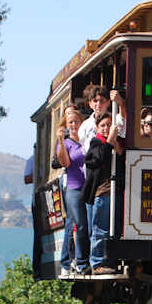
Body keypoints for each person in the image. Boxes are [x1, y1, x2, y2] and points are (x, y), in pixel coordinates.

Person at [82, 112, 123, 275]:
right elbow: (99, 160)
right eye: (103, 126)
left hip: (116, 191)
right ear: (97, 128)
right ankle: (97, 262)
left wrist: (115, 142)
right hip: (103, 192)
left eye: (108, 125)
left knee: (115, 228)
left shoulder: (117, 143)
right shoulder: (95, 143)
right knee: (100, 229)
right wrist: (109, 142)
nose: (106, 129)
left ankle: (111, 260)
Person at [56, 109, 90, 275]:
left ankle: (72, 262)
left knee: (77, 225)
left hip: (89, 187)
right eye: (71, 122)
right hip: (74, 188)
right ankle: (76, 262)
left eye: (77, 121)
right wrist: (61, 141)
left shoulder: (86, 140)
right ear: (66, 125)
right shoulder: (66, 143)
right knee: (79, 224)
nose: (75, 125)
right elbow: (65, 163)